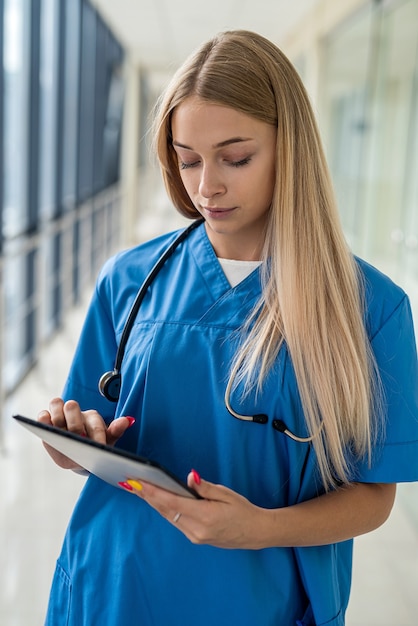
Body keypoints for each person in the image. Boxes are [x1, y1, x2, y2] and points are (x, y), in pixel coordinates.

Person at [37, 30, 418, 626]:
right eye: (187, 159)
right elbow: (89, 435)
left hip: (259, 601)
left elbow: (373, 498)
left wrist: (262, 528)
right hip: (114, 587)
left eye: (235, 158)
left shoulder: (371, 307)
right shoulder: (129, 279)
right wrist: (73, 442)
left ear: (289, 149)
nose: (205, 186)